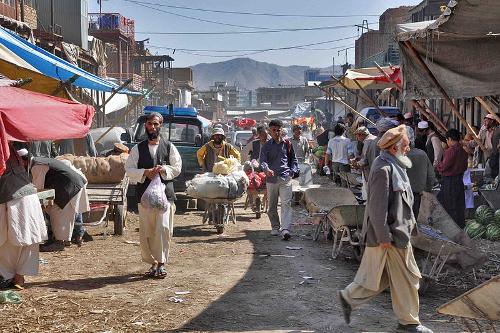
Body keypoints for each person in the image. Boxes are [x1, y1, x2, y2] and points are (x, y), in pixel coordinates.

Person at [338, 125, 433, 333]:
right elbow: (377, 207)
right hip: (391, 235)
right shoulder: (383, 169)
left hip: (399, 233)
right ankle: (409, 323)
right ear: (394, 147)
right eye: (406, 145)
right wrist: (384, 236)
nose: (408, 149)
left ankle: (349, 297)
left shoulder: (396, 164)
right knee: (408, 278)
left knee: (382, 277)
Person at [125, 112, 182, 278]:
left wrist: (163, 170)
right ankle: (152, 263)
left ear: (160, 126)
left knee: (163, 229)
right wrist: (145, 173)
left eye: (156, 124)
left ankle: (162, 263)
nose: (153, 127)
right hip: (145, 198)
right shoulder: (137, 148)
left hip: (165, 197)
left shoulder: (169, 147)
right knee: (147, 231)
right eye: (150, 124)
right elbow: (129, 170)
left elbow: (177, 167)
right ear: (146, 126)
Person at [21, 152, 89, 252]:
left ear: (24, 160)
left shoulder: (37, 166)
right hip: (65, 186)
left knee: (60, 212)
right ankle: (60, 239)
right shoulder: (38, 161)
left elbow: (38, 190)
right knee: (52, 210)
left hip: (69, 187)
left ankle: (59, 242)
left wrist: (35, 209)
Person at [0, 146, 47, 289]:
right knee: (27, 239)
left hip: (14, 199)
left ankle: (7, 276)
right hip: (26, 196)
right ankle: (18, 277)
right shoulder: (8, 148)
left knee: (8, 241)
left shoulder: (4, 150)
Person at [260, 119, 299, 241]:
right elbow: (263, 161)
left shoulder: (287, 144)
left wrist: (293, 170)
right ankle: (275, 226)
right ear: (269, 131)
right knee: (272, 206)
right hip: (271, 180)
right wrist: (266, 169)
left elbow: (294, 159)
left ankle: (285, 229)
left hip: (285, 178)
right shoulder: (266, 146)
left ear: (281, 130)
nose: (276, 132)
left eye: (278, 130)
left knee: (286, 204)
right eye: (274, 130)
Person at [436, 129, 468, 228]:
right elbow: (465, 167)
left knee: (451, 205)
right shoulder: (463, 151)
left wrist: (438, 165)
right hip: (459, 179)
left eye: (447, 140)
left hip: (450, 180)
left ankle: (453, 228)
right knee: (458, 204)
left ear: (449, 139)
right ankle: (460, 226)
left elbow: (444, 166)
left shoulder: (451, 150)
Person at [406, 132, 436, 219]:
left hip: (402, 195)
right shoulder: (422, 154)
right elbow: (431, 175)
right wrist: (428, 189)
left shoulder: (398, 156)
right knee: (417, 218)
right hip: (418, 193)